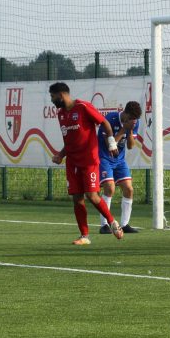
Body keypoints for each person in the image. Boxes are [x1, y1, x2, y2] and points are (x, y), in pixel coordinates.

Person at [49, 82, 124, 245]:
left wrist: (112, 143)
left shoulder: (83, 107)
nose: (52, 100)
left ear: (61, 95)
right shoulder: (61, 114)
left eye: (53, 97)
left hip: (89, 160)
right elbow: (69, 141)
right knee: (77, 198)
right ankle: (84, 236)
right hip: (72, 162)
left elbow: (105, 123)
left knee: (92, 195)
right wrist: (61, 155)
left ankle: (112, 222)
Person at [97, 101, 142, 234]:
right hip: (104, 157)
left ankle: (125, 224)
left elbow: (130, 146)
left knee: (129, 189)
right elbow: (109, 145)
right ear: (125, 114)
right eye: (132, 119)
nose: (134, 121)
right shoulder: (110, 118)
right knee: (109, 188)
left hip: (119, 160)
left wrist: (130, 130)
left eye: (136, 120)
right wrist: (123, 129)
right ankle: (104, 225)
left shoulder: (134, 123)